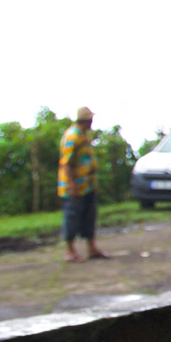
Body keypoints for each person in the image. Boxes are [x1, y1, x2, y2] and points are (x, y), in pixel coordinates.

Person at [60, 106, 108, 263]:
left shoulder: (83, 136)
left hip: (87, 185)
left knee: (89, 216)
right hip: (74, 186)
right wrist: (72, 185)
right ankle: (70, 251)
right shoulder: (72, 136)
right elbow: (66, 163)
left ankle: (92, 248)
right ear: (87, 120)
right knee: (72, 217)